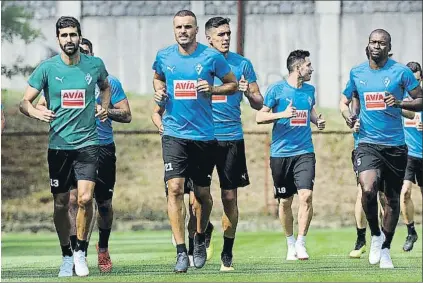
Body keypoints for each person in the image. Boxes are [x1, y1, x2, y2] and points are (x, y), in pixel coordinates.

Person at [19, 16, 111, 277]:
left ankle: (81, 251)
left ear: (80, 36)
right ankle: (66, 255)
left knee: (84, 198)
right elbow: (24, 102)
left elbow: (105, 87)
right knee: (60, 204)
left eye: (73, 34)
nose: (69, 39)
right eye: (64, 35)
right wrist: (37, 113)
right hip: (59, 145)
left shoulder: (94, 65)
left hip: (88, 143)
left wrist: (104, 106)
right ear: (58, 38)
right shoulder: (47, 68)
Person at [152, 10, 237, 272]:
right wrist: (159, 92)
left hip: (203, 136)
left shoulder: (210, 57)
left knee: (202, 195)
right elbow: (158, 77)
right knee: (175, 188)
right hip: (174, 133)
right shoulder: (164, 56)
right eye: (178, 27)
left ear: (196, 30)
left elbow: (232, 84)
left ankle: (199, 237)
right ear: (174, 29)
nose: (183, 31)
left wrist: (213, 89)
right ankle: (180, 251)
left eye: (188, 27)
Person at [36, 38, 132, 273]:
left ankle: (103, 248)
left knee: (104, 203)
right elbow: (39, 104)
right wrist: (43, 112)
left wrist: (106, 111)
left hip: (102, 147)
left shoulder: (109, 82)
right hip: (72, 146)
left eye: (86, 52)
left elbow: (127, 115)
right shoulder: (62, 78)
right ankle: (77, 252)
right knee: (73, 200)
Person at [339, 29, 423, 269]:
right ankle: (375, 235)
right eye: (373, 42)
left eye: (381, 43)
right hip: (366, 143)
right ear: (368, 45)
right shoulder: (357, 72)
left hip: (395, 145)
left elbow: (420, 100)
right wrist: (351, 117)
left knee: (392, 199)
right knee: (367, 189)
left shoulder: (401, 72)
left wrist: (399, 102)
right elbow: (350, 99)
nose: (376, 46)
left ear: (389, 46)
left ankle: (385, 248)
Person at [204, 16, 263, 271]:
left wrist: (248, 91)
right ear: (209, 39)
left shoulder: (242, 64)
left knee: (229, 196)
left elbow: (259, 102)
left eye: (228, 33)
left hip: (231, 138)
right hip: (202, 137)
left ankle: (227, 251)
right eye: (220, 34)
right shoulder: (198, 63)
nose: (226, 38)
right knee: (198, 196)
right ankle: (205, 229)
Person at [256, 50, 326, 261]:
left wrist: (317, 121)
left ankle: (301, 243)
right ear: (298, 68)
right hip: (281, 154)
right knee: (285, 202)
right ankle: (290, 243)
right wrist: (282, 114)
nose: (311, 69)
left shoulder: (310, 90)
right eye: (308, 65)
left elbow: (310, 110)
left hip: (304, 152)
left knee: (306, 196)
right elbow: (260, 117)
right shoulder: (276, 89)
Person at [400, 61, 423, 252]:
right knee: (405, 192)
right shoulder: (399, 100)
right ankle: (411, 231)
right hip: (407, 155)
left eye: (417, 80)